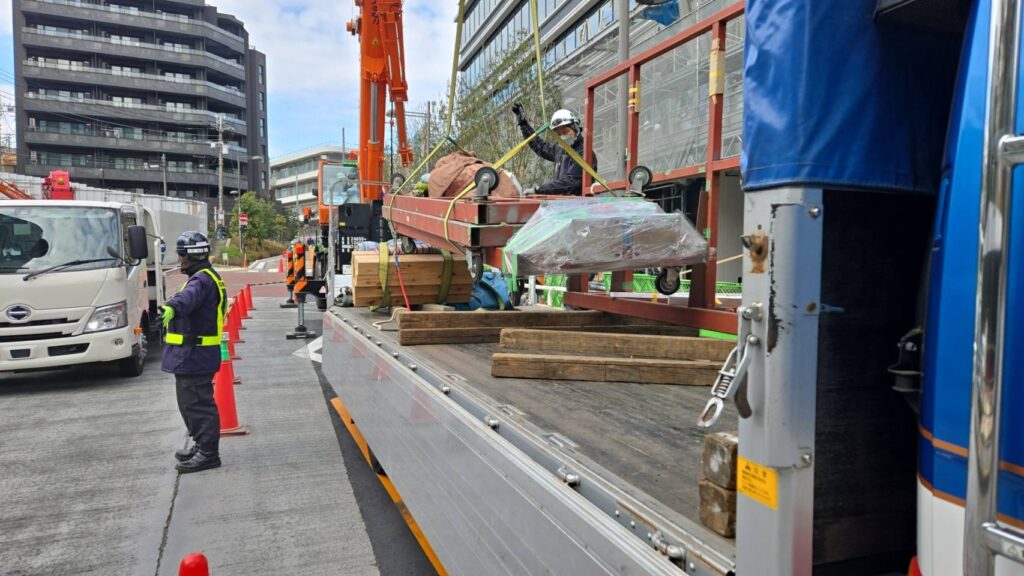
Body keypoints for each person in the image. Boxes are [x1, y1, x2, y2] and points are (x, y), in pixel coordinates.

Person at [161, 231, 227, 474]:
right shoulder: (204, 276)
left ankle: (209, 453)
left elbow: (187, 300)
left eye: (181, 255)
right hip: (195, 354)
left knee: (197, 404)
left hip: (196, 354)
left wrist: (171, 308)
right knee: (190, 403)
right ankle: (202, 444)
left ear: (192, 256)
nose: (180, 260)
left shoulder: (201, 281)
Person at [512, 103, 589, 196]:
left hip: (581, 206)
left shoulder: (584, 153)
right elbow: (539, 146)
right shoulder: (560, 150)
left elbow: (569, 182)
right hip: (562, 204)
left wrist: (539, 189)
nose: (563, 137)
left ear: (576, 128)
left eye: (565, 132)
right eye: (559, 134)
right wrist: (523, 124)